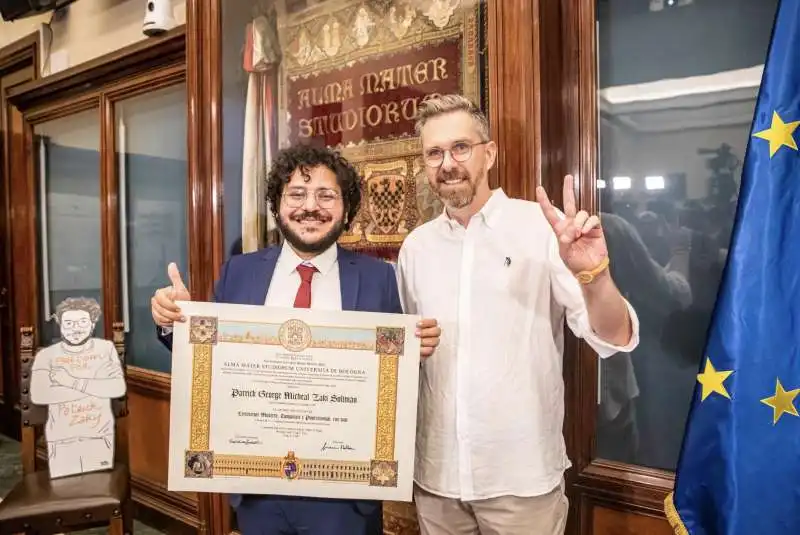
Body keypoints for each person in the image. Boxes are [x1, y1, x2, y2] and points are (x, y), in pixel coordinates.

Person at [151, 144, 441, 535]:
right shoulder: (239, 272)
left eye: (326, 195)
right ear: (277, 204)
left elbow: (390, 379)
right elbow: (210, 360)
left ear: (346, 208)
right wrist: (177, 322)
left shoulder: (379, 279)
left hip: (345, 495)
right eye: (297, 194)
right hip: (259, 489)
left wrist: (414, 352)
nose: (311, 207)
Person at [396, 94, 640, 535]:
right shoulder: (416, 248)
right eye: (434, 153)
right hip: (436, 481)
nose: (447, 163)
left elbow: (613, 336)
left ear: (489, 153)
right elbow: (406, 353)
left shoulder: (541, 230)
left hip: (520, 482)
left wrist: (595, 275)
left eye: (460, 148)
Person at [30, 297, 126, 478]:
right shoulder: (47, 356)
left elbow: (117, 388)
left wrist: (70, 381)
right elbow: (40, 395)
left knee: (99, 484)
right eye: (69, 323)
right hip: (62, 440)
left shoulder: (106, 349)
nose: (75, 328)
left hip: (99, 437)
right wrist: (96, 382)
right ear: (59, 324)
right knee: (65, 488)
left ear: (92, 323)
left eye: (82, 322)